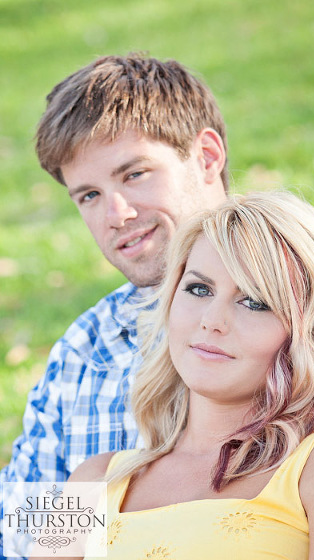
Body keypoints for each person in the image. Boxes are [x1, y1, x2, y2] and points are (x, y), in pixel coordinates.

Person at [0, 53, 229, 554]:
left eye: (135, 174)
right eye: (89, 195)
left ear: (207, 158)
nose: (117, 215)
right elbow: (21, 535)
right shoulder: (86, 350)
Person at [60, 192, 314, 559]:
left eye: (254, 301)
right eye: (199, 289)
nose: (212, 321)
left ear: (307, 333)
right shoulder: (90, 479)